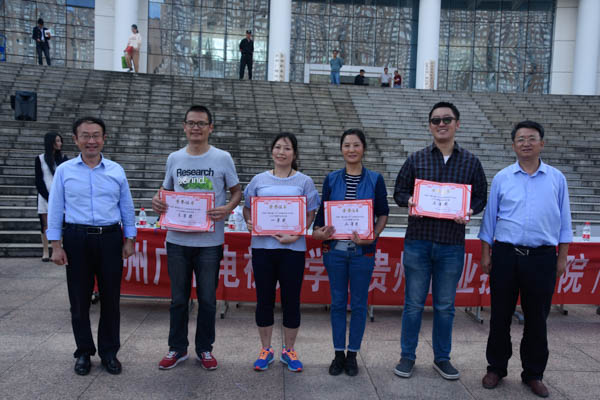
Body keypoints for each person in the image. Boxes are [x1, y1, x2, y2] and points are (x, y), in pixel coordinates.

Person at [393, 102, 488, 380]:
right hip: (419, 242)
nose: (441, 124)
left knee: (445, 306)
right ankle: (407, 356)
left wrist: (469, 210)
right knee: (413, 304)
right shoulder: (416, 159)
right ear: (430, 126)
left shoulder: (470, 162)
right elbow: (399, 192)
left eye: (447, 119)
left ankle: (442, 358)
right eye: (436, 120)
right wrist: (411, 200)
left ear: (457, 124)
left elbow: (481, 196)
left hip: (451, 244)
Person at [478, 121, 572, 398]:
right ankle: (496, 367)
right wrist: (486, 253)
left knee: (537, 319)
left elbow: (565, 221)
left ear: (542, 143)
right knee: (500, 316)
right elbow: (489, 220)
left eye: (532, 138)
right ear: (513, 145)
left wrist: (562, 258)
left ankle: (533, 373)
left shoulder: (556, 179)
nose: (526, 143)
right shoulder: (502, 178)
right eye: (520, 139)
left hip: (542, 257)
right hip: (506, 255)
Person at [152, 105, 241, 371]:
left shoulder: (222, 157)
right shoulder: (175, 158)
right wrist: (157, 200)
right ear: (184, 126)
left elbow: (237, 191)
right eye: (191, 123)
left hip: (209, 242)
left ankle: (204, 349)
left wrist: (227, 208)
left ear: (210, 128)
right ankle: (177, 348)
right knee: (178, 299)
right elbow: (165, 190)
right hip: (177, 240)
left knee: (208, 300)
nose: (196, 128)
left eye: (201, 123)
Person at [47, 117, 136, 376]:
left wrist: (129, 239)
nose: (91, 141)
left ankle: (109, 352)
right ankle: (84, 352)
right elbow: (55, 208)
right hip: (77, 238)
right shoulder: (65, 171)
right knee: (79, 299)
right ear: (75, 140)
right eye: (85, 135)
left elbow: (126, 206)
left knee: (111, 299)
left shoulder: (116, 170)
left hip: (110, 238)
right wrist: (56, 245)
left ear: (104, 139)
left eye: (96, 135)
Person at [313, 129, 389, 377]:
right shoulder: (332, 179)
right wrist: (319, 232)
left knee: (358, 304)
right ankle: (338, 354)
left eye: (356, 145)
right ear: (341, 149)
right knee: (337, 303)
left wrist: (373, 236)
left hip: (362, 253)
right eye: (347, 145)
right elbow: (322, 217)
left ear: (363, 148)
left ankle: (353, 354)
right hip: (335, 251)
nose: (351, 149)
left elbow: (383, 213)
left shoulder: (375, 179)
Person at [243, 132, 320, 373]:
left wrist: (297, 234)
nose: (281, 152)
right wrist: (250, 222)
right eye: (277, 147)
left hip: (292, 249)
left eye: (287, 148)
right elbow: (247, 208)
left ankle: (289, 350)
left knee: (291, 300)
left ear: (294, 153)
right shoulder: (258, 180)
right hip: (263, 249)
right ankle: (265, 350)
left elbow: (311, 212)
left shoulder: (304, 182)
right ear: (272, 151)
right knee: (264, 299)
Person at [35, 132, 67, 262]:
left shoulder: (63, 159)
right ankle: (45, 251)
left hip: (60, 196)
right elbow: (38, 179)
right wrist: (48, 196)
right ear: (51, 142)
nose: (60, 143)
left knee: (60, 223)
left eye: (60, 141)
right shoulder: (40, 159)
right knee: (45, 224)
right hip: (45, 196)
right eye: (57, 141)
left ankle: (57, 248)